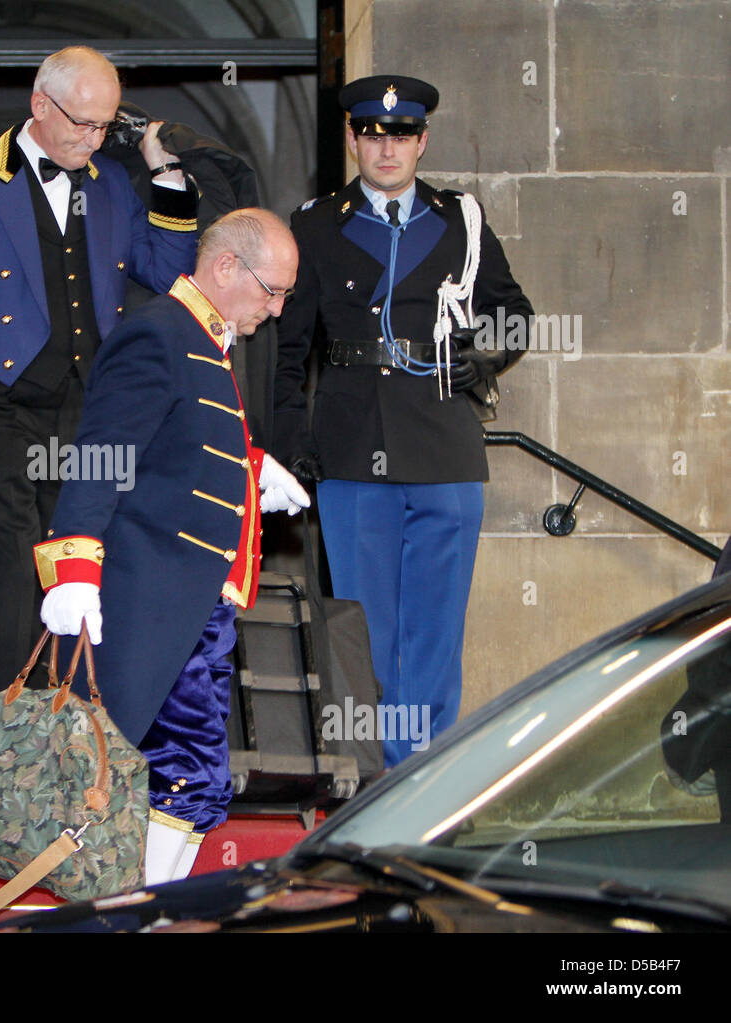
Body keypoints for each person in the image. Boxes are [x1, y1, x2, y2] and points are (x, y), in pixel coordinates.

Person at [0, 46, 198, 714]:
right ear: (40, 104)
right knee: (8, 551)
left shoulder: (111, 183)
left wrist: (164, 171)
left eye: (106, 125)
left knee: (69, 559)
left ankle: (55, 732)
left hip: (82, 406)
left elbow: (170, 275)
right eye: (81, 123)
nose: (93, 138)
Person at [34, 209, 309, 884]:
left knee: (194, 778)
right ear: (224, 268)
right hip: (151, 600)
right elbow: (103, 455)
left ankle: (154, 905)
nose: (275, 310)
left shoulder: (201, 340)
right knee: (178, 771)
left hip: (193, 606)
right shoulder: (157, 333)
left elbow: (175, 448)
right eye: (270, 290)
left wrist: (250, 468)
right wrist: (71, 567)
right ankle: (136, 909)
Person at [273, 75, 532, 767]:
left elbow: (514, 310)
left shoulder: (461, 220)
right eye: (372, 135)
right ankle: (370, 774)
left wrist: (492, 353)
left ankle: (426, 770)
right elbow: (287, 350)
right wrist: (287, 440)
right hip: (354, 449)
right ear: (354, 139)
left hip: (445, 443)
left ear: (423, 141)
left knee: (436, 630)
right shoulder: (315, 224)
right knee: (364, 628)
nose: (387, 150)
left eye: (402, 136)